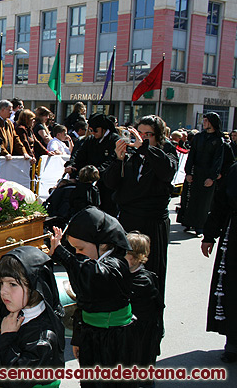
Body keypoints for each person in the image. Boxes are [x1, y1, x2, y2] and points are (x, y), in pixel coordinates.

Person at [49, 206, 136, 388]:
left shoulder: (116, 264)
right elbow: (83, 303)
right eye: (74, 249)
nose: (77, 254)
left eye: (80, 248)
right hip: (91, 333)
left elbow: (92, 274)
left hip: (114, 340)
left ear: (103, 244)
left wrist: (62, 254)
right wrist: (78, 338)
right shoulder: (94, 262)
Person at [101, 115, 177, 309]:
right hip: (128, 218)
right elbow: (110, 183)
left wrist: (145, 148)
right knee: (123, 269)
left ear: (158, 136)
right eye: (138, 133)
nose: (141, 138)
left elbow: (167, 172)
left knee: (150, 271)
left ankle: (149, 320)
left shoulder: (165, 151)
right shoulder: (129, 153)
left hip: (151, 222)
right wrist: (118, 160)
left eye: (147, 135)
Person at [0, 246, 65, 387]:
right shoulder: (22, 310)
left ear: (35, 285)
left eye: (12, 284)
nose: (3, 292)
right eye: (1, 283)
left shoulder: (43, 338)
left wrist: (6, 337)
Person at [201, 161, 237, 363]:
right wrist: (209, 235)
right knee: (233, 288)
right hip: (235, 237)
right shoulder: (235, 170)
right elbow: (220, 203)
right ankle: (233, 341)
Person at [125, 232, 163, 386]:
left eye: (124, 255)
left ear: (135, 257)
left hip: (143, 332)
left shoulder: (143, 280)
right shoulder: (130, 274)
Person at [65, 113, 120, 216]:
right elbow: (79, 155)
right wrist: (72, 165)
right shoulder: (90, 140)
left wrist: (97, 171)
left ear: (103, 128)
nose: (93, 133)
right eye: (91, 130)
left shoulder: (114, 140)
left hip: (106, 183)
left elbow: (112, 160)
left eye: (96, 130)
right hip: (89, 183)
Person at [178, 112, 224, 236]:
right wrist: (188, 172)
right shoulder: (199, 137)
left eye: (206, 121)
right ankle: (189, 222)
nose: (204, 123)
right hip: (196, 172)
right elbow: (191, 155)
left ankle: (200, 226)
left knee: (204, 202)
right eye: (203, 121)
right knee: (191, 198)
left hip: (208, 174)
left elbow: (217, 161)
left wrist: (212, 177)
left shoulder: (219, 140)